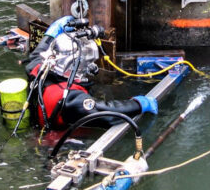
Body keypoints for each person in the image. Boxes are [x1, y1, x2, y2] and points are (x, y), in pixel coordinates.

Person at [23, 15, 158, 130]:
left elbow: (36, 55)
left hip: (37, 122)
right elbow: (108, 113)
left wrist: (50, 35)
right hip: (59, 143)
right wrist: (139, 104)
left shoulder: (37, 69)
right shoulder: (71, 98)